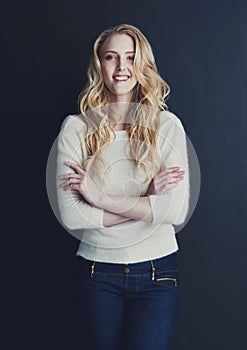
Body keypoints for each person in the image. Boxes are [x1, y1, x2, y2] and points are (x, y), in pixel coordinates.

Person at [56, 23, 190, 350]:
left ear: (142, 65)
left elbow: (174, 210)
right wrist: (147, 203)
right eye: (111, 57)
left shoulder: (167, 126)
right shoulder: (75, 129)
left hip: (158, 273)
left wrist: (99, 198)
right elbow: (73, 217)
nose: (120, 67)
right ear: (99, 65)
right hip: (96, 273)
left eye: (130, 58)